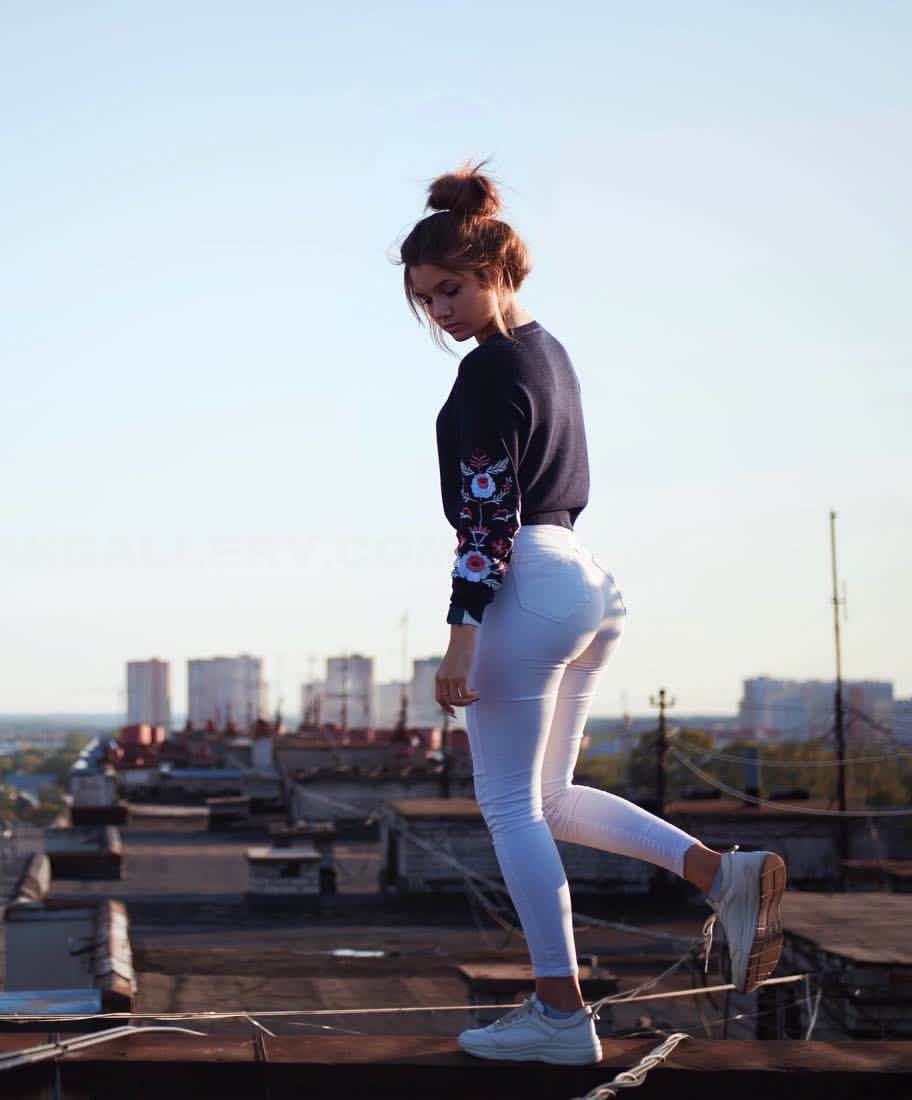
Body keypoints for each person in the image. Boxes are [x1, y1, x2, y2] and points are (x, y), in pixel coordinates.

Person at [399, 160, 786, 1065]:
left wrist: (458, 639)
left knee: (508, 806)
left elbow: (487, 516)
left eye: (451, 289)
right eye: (425, 300)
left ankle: (560, 1014)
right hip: (585, 581)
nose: (441, 312)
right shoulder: (550, 354)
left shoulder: (487, 372)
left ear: (495, 268)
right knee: (549, 799)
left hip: (526, 579)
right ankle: (719, 874)